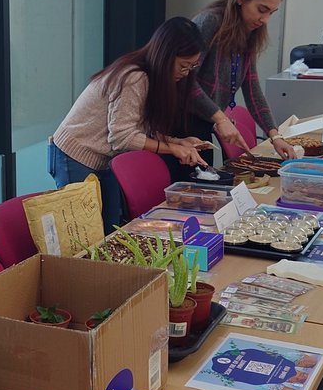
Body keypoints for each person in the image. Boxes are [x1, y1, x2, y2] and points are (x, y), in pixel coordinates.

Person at [49, 17, 211, 233]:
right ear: (165, 55)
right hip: (75, 156)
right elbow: (122, 137)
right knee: (84, 234)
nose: (186, 72)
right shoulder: (135, 77)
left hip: (102, 158)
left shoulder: (151, 77)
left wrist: (177, 141)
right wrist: (172, 148)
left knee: (110, 229)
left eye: (192, 66)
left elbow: (138, 128)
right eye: (183, 65)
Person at [190, 0, 298, 160]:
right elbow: (185, 80)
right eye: (262, 10)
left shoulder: (248, 33)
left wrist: (275, 136)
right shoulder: (210, 22)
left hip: (205, 122)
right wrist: (220, 117)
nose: (265, 20)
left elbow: (252, 89)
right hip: (180, 123)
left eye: (271, 13)